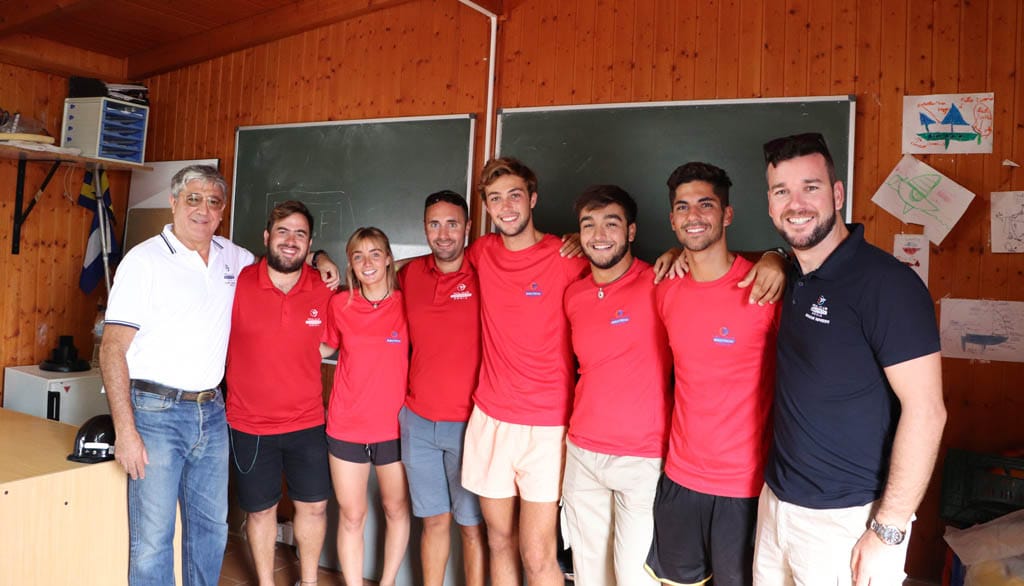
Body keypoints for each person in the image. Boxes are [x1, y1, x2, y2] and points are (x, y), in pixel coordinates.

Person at [100, 165, 337, 585]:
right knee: (154, 537)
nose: (203, 209)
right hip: (155, 413)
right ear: (173, 203)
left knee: (210, 532)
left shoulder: (234, 259)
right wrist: (125, 430)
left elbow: (285, 259)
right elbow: (113, 348)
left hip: (211, 412)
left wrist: (320, 258)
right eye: (193, 198)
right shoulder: (143, 261)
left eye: (212, 201)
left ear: (222, 211)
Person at [753, 133, 946, 586]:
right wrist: (774, 257)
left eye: (811, 187)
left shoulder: (888, 285)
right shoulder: (795, 275)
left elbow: (928, 411)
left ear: (838, 194)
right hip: (777, 504)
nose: (796, 203)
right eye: (782, 191)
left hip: (848, 521)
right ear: (768, 204)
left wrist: (889, 529)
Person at [645, 162, 780, 586]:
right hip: (679, 477)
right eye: (683, 207)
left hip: (743, 485)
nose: (694, 216)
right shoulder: (663, 289)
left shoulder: (766, 287)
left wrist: (779, 256)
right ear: (671, 220)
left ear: (728, 214)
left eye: (706, 204)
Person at [460, 157, 590, 586]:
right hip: (491, 419)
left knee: (536, 553)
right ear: (487, 207)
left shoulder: (567, 256)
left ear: (532, 199)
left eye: (515, 195)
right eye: (495, 199)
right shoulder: (481, 253)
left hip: (548, 426)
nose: (506, 206)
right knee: (498, 541)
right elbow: (423, 266)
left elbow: (627, 269)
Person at [561, 184, 672, 586]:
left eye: (611, 223)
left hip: (641, 459)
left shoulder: (661, 281)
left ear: (631, 231)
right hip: (583, 453)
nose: (599, 234)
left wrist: (775, 258)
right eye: (588, 225)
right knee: (589, 574)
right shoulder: (573, 294)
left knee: (633, 577)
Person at [225, 201, 333, 586]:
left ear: (310, 243)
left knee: (315, 507)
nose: (291, 241)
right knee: (259, 512)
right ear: (267, 237)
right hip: (249, 423)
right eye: (283, 232)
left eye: (300, 234)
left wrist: (323, 261)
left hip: (306, 422)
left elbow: (330, 343)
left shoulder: (323, 288)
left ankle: (308, 581)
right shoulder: (237, 282)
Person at [397, 190, 487, 586]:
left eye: (453, 223)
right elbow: (369, 264)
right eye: (435, 224)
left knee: (471, 526)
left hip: (471, 425)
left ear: (468, 227)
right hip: (417, 422)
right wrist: (320, 259)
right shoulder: (410, 273)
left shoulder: (487, 270)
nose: (444, 233)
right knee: (433, 521)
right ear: (424, 229)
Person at [320, 227, 410, 586]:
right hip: (346, 425)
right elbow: (321, 348)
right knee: (352, 515)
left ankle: (386, 582)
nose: (367, 262)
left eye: (375, 254)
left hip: (396, 427)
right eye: (358, 256)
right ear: (350, 266)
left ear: (389, 258)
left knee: (395, 508)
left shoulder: (408, 301)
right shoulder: (339, 304)